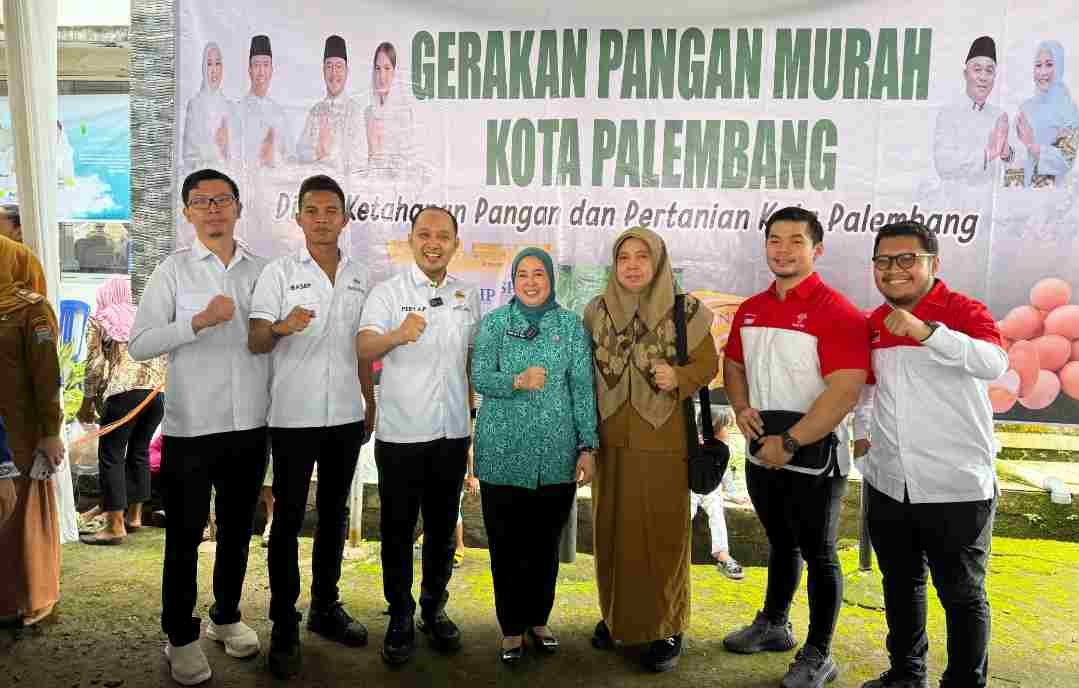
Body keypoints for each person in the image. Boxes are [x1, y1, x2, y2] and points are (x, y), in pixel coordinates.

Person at [129, 168, 270, 686]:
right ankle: (179, 636)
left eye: (223, 199)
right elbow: (140, 342)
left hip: (251, 424)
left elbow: (270, 339)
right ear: (187, 212)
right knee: (185, 535)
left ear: (237, 207)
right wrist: (198, 322)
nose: (214, 208)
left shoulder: (261, 271)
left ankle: (226, 616)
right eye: (201, 201)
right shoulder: (174, 271)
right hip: (192, 427)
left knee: (237, 529)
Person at [722, 206, 869, 688]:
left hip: (813, 455)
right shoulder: (751, 308)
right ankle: (774, 624)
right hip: (763, 450)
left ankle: (819, 652)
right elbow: (735, 365)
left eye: (795, 241)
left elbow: (845, 389)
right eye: (774, 241)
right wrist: (741, 406)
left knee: (821, 552)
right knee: (781, 543)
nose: (783, 250)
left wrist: (791, 441)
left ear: (817, 249)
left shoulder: (839, 312)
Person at [857, 221, 1007, 688]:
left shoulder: (962, 310)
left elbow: (994, 364)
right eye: (884, 261)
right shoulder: (873, 323)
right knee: (900, 586)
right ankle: (906, 672)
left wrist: (928, 333)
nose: (894, 269)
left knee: (962, 594)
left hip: (955, 485)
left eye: (907, 259)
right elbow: (866, 391)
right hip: (888, 482)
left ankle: (964, 682)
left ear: (932, 264)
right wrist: (862, 436)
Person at [248, 174, 376, 679]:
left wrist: (369, 397)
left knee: (334, 515)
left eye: (331, 211)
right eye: (312, 211)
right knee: (288, 517)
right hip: (293, 416)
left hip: (345, 413)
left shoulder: (361, 275)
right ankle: (284, 621)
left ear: (345, 218)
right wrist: (282, 326)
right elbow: (257, 340)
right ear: (298, 217)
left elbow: (362, 345)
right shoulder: (279, 273)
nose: (322, 220)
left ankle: (325, 606)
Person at [583, 227, 717, 673]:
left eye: (643, 256)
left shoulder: (686, 311)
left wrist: (679, 376)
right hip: (610, 442)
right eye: (625, 257)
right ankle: (618, 618)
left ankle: (665, 627)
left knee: (660, 534)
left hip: (662, 441)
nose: (634, 265)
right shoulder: (595, 312)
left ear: (659, 262)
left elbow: (707, 363)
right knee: (612, 529)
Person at [357, 206, 480, 666]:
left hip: (451, 432)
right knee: (396, 529)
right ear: (411, 240)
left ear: (455, 244)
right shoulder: (388, 293)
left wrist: (472, 425)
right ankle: (400, 615)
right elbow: (362, 347)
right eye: (425, 234)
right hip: (401, 434)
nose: (434, 242)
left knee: (444, 531)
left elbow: (470, 365)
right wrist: (395, 335)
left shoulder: (468, 296)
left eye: (443, 235)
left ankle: (433, 608)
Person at [471, 247, 597, 664]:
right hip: (502, 453)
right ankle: (510, 628)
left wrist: (587, 446)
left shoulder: (571, 326)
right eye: (522, 274)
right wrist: (518, 380)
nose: (530, 281)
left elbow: (582, 389)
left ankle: (538, 620)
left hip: (556, 455)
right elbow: (480, 377)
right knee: (507, 546)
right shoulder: (494, 325)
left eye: (538, 273)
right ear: (513, 279)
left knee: (544, 546)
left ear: (550, 280)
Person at [0, 235, 64, 627]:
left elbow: (46, 377)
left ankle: (31, 596)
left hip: (22, 431)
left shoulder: (31, 310)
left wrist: (51, 430)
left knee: (22, 511)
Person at [77, 276, 167, 545]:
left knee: (111, 454)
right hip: (156, 395)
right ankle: (135, 516)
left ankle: (115, 524)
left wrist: (87, 401)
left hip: (123, 393)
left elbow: (94, 365)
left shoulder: (102, 318)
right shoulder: (144, 317)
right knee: (138, 450)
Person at [933, 36, 1012, 189]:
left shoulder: (1000, 115)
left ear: (994, 78)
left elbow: (1014, 164)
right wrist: (988, 154)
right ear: (965, 74)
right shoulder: (948, 114)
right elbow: (943, 163)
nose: (983, 77)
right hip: (955, 205)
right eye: (977, 70)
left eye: (989, 71)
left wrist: (1006, 153)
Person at [690, 406, 744, 580]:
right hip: (691, 489)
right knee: (687, 510)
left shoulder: (722, 450)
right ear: (714, 427)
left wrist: (733, 494)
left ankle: (722, 554)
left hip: (712, 491)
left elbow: (724, 474)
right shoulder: (695, 444)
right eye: (726, 427)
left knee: (717, 512)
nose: (728, 431)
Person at [1016, 40, 1079, 188]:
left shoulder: (1070, 111)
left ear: (1060, 67)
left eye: (1049, 64)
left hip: (1056, 198)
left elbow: (1067, 160)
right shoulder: (1026, 108)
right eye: (1038, 65)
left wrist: (1032, 146)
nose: (1043, 72)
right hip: (1021, 197)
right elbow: (1017, 159)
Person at [296, 35, 364, 173]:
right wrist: (317, 152)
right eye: (329, 66)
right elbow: (301, 152)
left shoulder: (355, 111)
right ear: (323, 71)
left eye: (339, 66)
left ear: (347, 71)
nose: (334, 73)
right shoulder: (315, 111)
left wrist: (329, 152)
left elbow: (360, 162)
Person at [182, 42, 239, 171]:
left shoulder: (229, 108)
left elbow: (236, 157)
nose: (214, 70)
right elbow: (189, 157)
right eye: (209, 64)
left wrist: (225, 149)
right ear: (203, 68)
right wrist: (214, 149)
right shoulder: (195, 105)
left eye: (217, 63)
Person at [239, 35, 293, 169]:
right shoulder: (237, 111)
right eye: (256, 65)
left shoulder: (279, 113)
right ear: (249, 70)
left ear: (271, 70)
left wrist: (275, 157)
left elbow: (290, 157)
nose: (261, 72)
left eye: (266, 65)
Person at [365, 42, 414, 170]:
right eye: (378, 68)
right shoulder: (368, 113)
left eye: (387, 68)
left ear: (395, 72)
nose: (382, 76)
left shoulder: (404, 113)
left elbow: (405, 162)